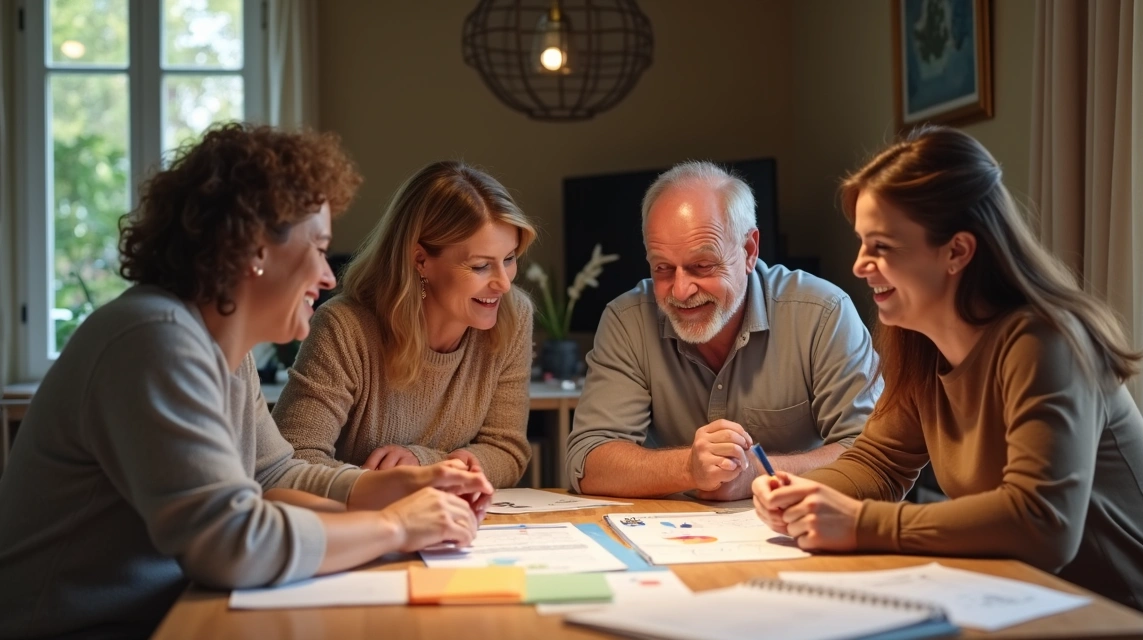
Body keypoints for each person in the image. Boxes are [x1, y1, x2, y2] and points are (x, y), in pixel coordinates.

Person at [0, 124, 494, 639]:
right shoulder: (154, 339)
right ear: (257, 248)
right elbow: (231, 542)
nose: (328, 276)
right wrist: (396, 525)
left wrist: (391, 488)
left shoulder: (219, 349)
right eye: (319, 248)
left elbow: (274, 475)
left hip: (160, 615)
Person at [752, 126, 1143, 637]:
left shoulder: (1044, 341)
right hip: (1021, 603)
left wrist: (858, 524)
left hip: (1127, 620)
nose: (859, 265)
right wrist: (799, 494)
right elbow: (877, 461)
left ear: (957, 251)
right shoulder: (920, 340)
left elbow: (1041, 523)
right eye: (861, 243)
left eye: (881, 246)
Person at [567, 161, 882, 500]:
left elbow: (872, 458)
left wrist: (755, 474)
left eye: (702, 266)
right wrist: (688, 468)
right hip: (671, 536)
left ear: (749, 251)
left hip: (800, 528)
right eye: (662, 269)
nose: (681, 290)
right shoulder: (627, 320)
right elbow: (588, 460)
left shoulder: (822, 313)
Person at [273, 161, 535, 489]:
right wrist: (383, 489)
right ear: (420, 260)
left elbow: (507, 452)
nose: (504, 284)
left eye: (508, 259)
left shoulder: (514, 315)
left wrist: (425, 464)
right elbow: (291, 462)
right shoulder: (344, 328)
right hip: (354, 529)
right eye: (481, 266)